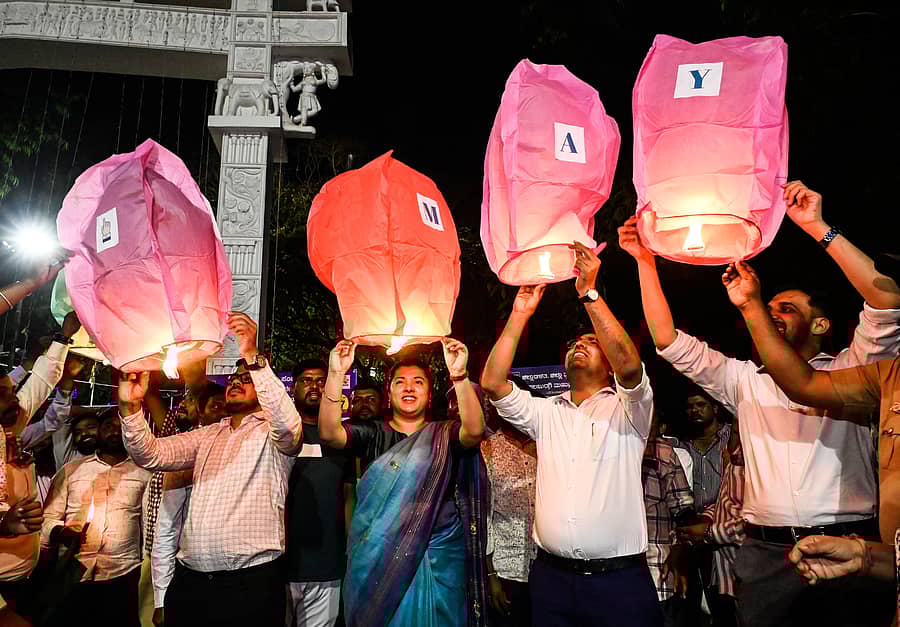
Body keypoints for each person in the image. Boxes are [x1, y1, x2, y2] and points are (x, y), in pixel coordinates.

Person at [618, 180, 900, 627]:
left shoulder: (856, 368)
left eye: (786, 308)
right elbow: (666, 340)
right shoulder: (744, 380)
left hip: (851, 545)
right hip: (765, 555)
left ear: (821, 323)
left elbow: (886, 301)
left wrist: (817, 227)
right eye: (767, 306)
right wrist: (645, 261)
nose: (772, 312)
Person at [480, 241, 661, 627]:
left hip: (619, 582)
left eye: (591, 343)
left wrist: (589, 294)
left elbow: (630, 367)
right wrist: (519, 314)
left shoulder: (629, 409)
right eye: (575, 343)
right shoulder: (546, 413)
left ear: (608, 365)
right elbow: (493, 382)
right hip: (552, 581)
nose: (580, 345)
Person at [117, 312, 303, 627]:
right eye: (233, 377)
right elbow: (150, 454)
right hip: (193, 582)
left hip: (252, 585)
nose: (235, 382)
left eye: (247, 380)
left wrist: (252, 357)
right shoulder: (207, 434)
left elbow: (288, 426)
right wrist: (130, 408)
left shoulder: (272, 435)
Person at [318, 338, 487, 627]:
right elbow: (330, 432)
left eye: (418, 382)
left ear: (429, 396)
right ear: (389, 393)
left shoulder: (445, 435)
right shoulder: (371, 433)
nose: (409, 387)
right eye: (400, 382)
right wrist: (336, 374)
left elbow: (474, 431)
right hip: (377, 563)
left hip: (439, 559)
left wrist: (459, 375)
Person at [40, 410, 152, 627]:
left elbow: (149, 528)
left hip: (123, 573)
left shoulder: (144, 474)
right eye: (109, 425)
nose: (115, 430)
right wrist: (60, 532)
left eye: (122, 426)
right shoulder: (72, 471)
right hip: (73, 572)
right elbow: (47, 519)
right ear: (99, 431)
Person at [0, 313, 77, 615]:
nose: (16, 399)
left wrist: (63, 338)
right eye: (4, 394)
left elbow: (42, 383)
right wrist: (2, 524)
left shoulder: (11, 432)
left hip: (24, 577)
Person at [285, 358, 355, 627]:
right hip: (277, 564)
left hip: (327, 565)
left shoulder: (343, 439)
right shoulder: (278, 436)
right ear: (293, 389)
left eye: (320, 381)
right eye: (306, 380)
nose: (314, 386)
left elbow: (348, 496)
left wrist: (348, 551)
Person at [151, 382, 226, 627]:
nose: (224, 414)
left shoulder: (249, 450)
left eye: (227, 408)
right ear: (201, 415)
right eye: (216, 407)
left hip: (238, 578)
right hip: (191, 573)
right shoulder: (186, 455)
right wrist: (161, 598)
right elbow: (166, 528)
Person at [481, 395, 537, 627]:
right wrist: (491, 576)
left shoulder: (547, 444)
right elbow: (484, 516)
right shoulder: (488, 449)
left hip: (548, 567)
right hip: (506, 570)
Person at [642, 420, 695, 627]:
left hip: (658, 571)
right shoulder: (601, 451)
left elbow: (684, 512)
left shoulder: (664, 453)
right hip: (610, 579)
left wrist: (679, 550)